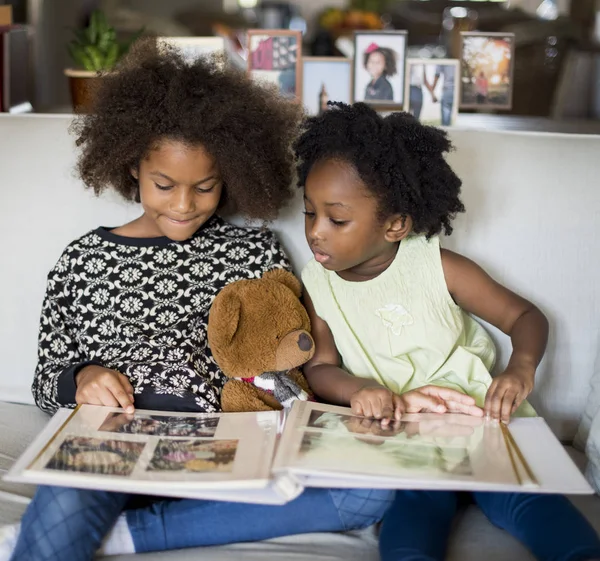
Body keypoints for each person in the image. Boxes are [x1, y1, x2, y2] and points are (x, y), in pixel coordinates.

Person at [0, 44, 478, 561]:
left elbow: (292, 360)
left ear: (231, 173)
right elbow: (46, 380)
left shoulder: (253, 252)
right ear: (130, 164)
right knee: (65, 501)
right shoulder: (84, 259)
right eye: (164, 185)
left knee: (369, 492)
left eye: (204, 188)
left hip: (227, 444)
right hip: (118, 442)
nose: (184, 205)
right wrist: (84, 378)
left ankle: (131, 534)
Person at [294, 102, 600, 561]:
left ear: (395, 225)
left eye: (336, 219)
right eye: (308, 212)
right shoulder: (316, 282)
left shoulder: (437, 266)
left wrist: (520, 369)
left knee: (532, 507)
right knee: (408, 526)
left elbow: (525, 317)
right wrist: (358, 389)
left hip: (478, 420)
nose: (316, 232)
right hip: (403, 435)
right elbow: (319, 366)